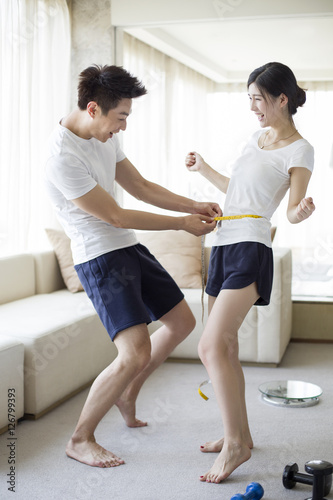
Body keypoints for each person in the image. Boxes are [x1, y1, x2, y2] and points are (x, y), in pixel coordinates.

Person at [45, 64, 221, 468]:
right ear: (93, 108)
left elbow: (140, 187)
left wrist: (192, 204)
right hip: (99, 256)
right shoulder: (62, 157)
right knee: (133, 353)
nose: (123, 126)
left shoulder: (104, 137)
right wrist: (182, 223)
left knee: (181, 322)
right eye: (121, 116)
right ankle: (80, 438)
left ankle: (127, 391)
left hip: (127, 248)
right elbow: (116, 216)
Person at [185, 61, 315, 483]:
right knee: (227, 349)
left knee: (209, 346)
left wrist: (302, 210)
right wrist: (203, 168)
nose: (253, 107)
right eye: (249, 100)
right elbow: (238, 190)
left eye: (258, 99)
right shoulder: (254, 138)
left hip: (251, 246)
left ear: (281, 99)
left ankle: (236, 445)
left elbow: (292, 210)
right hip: (222, 242)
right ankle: (239, 434)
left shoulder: (300, 149)